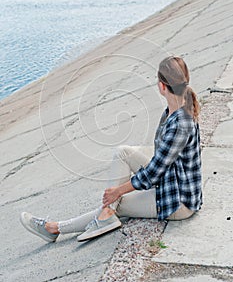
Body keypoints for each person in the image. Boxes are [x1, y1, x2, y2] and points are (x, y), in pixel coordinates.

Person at [20, 56, 202, 243]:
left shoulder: (181, 122)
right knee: (123, 152)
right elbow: (161, 163)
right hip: (171, 181)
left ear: (161, 86)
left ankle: (55, 228)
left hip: (178, 201)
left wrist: (118, 192)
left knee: (119, 203)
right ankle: (106, 214)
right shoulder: (173, 111)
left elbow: (154, 173)